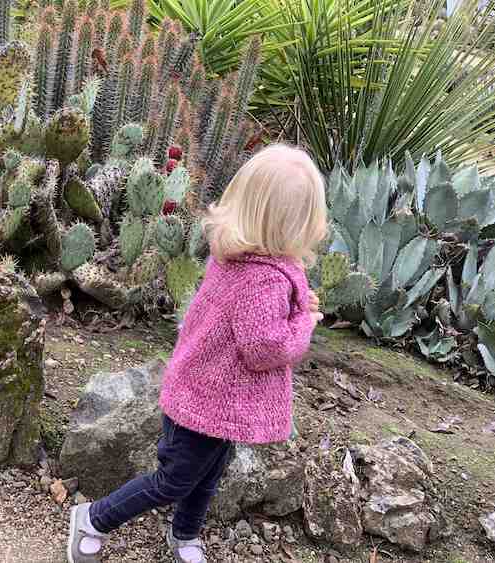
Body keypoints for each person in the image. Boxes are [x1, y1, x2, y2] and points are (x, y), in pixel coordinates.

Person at [66, 143, 328, 563]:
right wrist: (304, 323)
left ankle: (185, 536)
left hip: (206, 392)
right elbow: (266, 347)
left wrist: (298, 306)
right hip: (206, 401)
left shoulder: (239, 254)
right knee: (174, 480)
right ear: (293, 224)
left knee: (208, 473)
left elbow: (251, 318)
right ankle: (93, 518)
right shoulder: (263, 278)